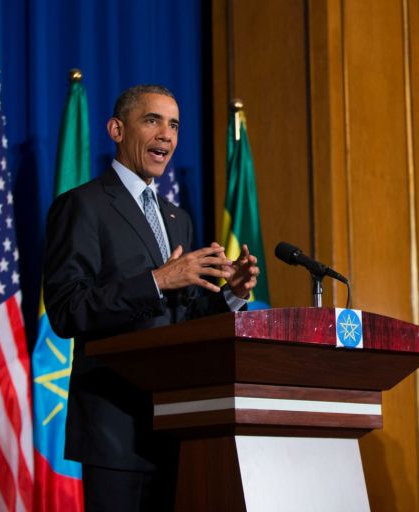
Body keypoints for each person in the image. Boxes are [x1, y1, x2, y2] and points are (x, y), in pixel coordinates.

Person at [43, 84, 260, 511]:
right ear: (116, 129)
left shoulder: (177, 219)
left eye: (174, 125)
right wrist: (158, 280)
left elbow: (183, 318)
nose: (166, 134)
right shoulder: (82, 206)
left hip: (178, 425)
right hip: (115, 430)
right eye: (152, 120)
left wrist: (230, 297)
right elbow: (68, 310)